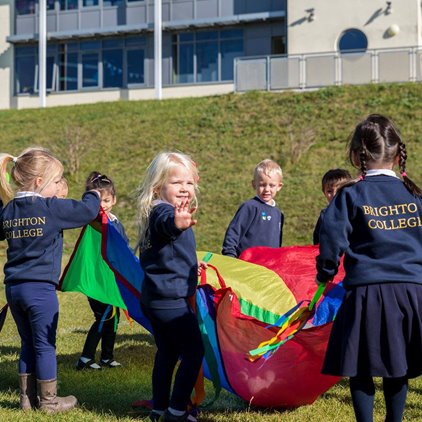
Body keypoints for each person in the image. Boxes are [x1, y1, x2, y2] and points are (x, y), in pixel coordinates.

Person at [315, 114, 422, 422]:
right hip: (412, 295)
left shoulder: (350, 195)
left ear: (356, 154)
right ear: (397, 152)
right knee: (396, 363)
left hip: (367, 294)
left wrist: (325, 273)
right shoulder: (415, 196)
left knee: (360, 367)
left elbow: (331, 237)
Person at [0, 148, 100, 413]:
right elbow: (88, 211)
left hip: (13, 290)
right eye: (57, 181)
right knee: (45, 344)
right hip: (40, 291)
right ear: (38, 182)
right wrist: (93, 192)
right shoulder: (51, 208)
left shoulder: (9, 210)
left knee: (27, 343)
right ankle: (49, 401)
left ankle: (26, 399)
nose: (59, 186)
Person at [137, 152, 205, 422]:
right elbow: (168, 226)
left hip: (156, 298)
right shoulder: (164, 212)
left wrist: (191, 267)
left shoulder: (155, 211)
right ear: (158, 187)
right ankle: (177, 411)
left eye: (189, 183)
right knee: (193, 351)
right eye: (177, 183)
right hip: (170, 301)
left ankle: (160, 407)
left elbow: (169, 251)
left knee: (168, 351)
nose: (184, 189)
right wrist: (176, 224)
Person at [76, 172, 128, 370]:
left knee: (114, 317)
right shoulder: (94, 222)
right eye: (99, 201)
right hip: (98, 281)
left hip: (113, 279)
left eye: (107, 200)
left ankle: (107, 356)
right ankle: (85, 358)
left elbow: (122, 246)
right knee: (103, 316)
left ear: (113, 199)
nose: (103, 205)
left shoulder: (115, 221)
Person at [221, 159, 284, 258]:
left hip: (268, 265)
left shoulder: (278, 214)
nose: (267, 189)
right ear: (254, 184)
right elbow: (234, 232)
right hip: (247, 264)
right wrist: (230, 255)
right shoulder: (250, 207)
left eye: (272, 185)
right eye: (262, 185)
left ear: (279, 186)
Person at [313, 168, 352, 245]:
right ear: (324, 192)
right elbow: (317, 242)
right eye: (329, 191)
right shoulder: (324, 215)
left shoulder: (356, 212)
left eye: (339, 190)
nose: (334, 194)